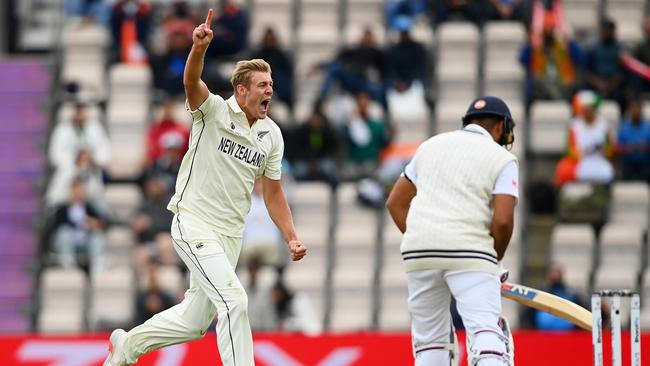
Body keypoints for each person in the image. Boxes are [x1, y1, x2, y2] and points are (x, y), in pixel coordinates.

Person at [103, 9, 307, 366]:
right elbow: (190, 83)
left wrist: (290, 235)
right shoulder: (212, 111)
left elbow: (273, 193)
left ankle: (127, 346)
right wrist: (197, 49)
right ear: (241, 91)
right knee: (234, 302)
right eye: (262, 85)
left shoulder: (271, 135)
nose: (269, 90)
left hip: (230, 235)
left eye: (271, 85)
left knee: (196, 321)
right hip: (193, 221)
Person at [386, 96, 519, 365]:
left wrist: (421, 238)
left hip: (419, 253)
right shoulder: (502, 158)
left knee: (430, 342)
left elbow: (395, 203)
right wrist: (494, 261)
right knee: (485, 333)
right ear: (500, 127)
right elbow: (503, 221)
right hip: (470, 252)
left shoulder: (429, 146)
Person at [554, 90, 615, 186]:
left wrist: (604, 150)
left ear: (594, 109)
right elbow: (569, 150)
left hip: (599, 160)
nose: (587, 112)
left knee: (608, 173)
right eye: (585, 109)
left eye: (590, 109)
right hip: (581, 162)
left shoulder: (604, 125)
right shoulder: (574, 126)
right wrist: (584, 152)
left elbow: (610, 149)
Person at [534, 265, 583, 330]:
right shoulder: (542, 292)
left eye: (557, 272)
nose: (555, 275)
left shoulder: (571, 294)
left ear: (561, 274)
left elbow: (580, 310)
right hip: (544, 331)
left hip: (567, 331)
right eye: (552, 273)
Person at [616, 99, 650, 181]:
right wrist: (629, 148)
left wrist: (644, 147)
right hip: (628, 162)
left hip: (645, 162)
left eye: (638, 108)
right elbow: (618, 147)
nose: (636, 111)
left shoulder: (648, 126)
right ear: (629, 110)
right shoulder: (623, 127)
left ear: (641, 110)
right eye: (633, 108)